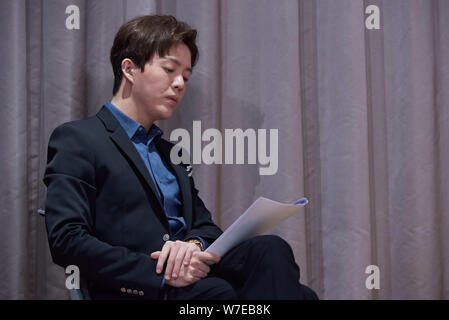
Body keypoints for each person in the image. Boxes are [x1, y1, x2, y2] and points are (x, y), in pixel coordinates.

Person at [43, 14, 318, 300]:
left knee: (272, 250)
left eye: (185, 76)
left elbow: (206, 227)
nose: (179, 84)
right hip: (139, 286)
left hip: (196, 278)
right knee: (246, 295)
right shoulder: (78, 139)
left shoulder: (172, 153)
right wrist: (160, 272)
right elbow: (66, 239)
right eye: (170, 70)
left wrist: (194, 245)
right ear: (129, 69)